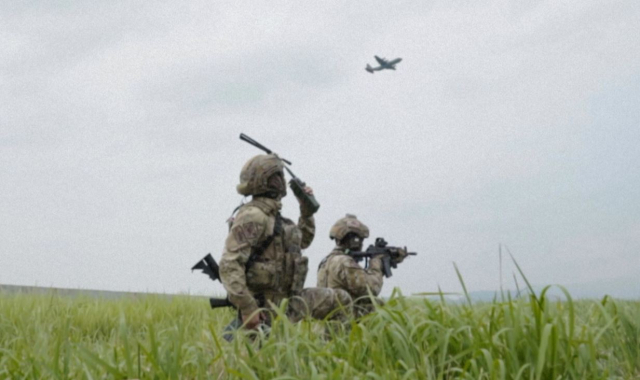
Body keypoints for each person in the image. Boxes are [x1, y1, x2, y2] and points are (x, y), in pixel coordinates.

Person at [219, 154, 352, 330]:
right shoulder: (254, 215)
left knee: (341, 301)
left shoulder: (275, 218)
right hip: (266, 306)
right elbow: (230, 263)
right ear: (267, 180)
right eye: (278, 175)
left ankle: (328, 353)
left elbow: (303, 240)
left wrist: (306, 211)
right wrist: (247, 307)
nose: (283, 180)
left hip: (288, 301)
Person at [316, 214, 408, 316]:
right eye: (360, 239)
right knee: (380, 307)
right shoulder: (345, 262)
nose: (361, 243)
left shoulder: (327, 260)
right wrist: (376, 264)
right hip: (345, 324)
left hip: (329, 322)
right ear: (354, 240)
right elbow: (371, 289)